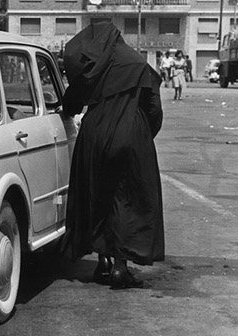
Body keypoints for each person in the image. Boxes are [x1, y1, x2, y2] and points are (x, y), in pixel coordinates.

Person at [58, 22, 165, 289]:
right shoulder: (136, 62)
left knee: (97, 194)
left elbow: (71, 104)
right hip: (130, 132)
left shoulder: (91, 66)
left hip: (94, 134)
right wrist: (141, 137)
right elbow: (154, 108)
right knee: (127, 199)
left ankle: (102, 260)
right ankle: (120, 267)